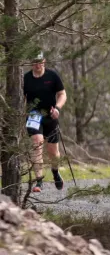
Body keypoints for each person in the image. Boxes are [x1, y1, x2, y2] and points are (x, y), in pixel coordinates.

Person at [24, 52, 67, 193]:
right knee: (37, 143)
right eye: (35, 62)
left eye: (40, 62)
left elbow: (62, 94)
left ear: (44, 61)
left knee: (53, 151)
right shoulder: (26, 78)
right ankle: (39, 180)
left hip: (50, 115)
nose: (38, 65)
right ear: (32, 63)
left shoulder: (52, 76)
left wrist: (58, 108)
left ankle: (55, 172)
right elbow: (21, 97)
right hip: (33, 115)